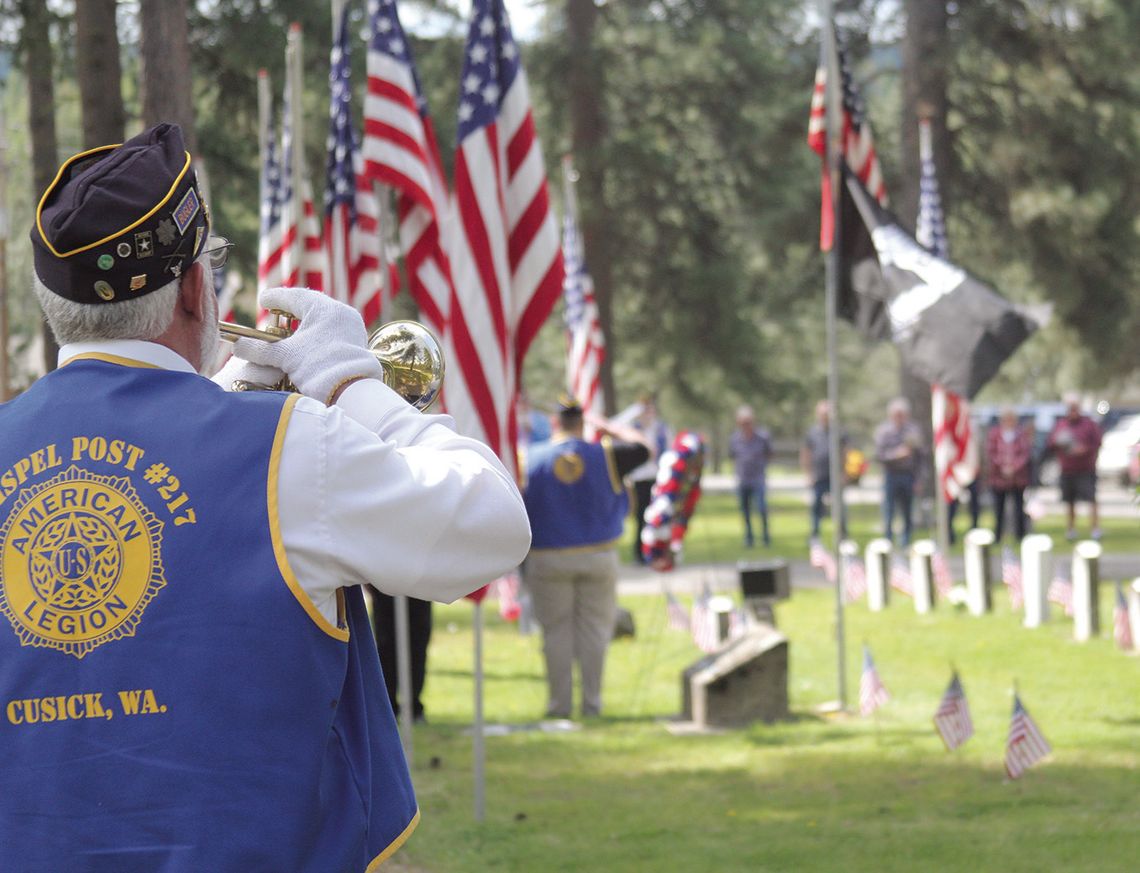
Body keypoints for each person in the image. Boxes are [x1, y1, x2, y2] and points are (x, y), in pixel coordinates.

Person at [0, 124, 531, 871]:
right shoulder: (288, 444)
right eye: (211, 264)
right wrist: (352, 385)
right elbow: (493, 526)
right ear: (193, 288)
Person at [522, 397, 649, 719]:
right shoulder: (606, 454)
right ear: (583, 423)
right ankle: (591, 704)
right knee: (595, 632)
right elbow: (644, 448)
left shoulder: (530, 458)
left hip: (548, 557)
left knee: (555, 633)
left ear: (555, 423)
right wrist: (610, 427)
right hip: (597, 556)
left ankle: (559, 707)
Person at [615, 392, 670, 564]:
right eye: (644, 409)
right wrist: (634, 411)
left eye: (649, 408)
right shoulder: (633, 429)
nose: (647, 412)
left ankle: (658, 553)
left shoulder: (662, 429)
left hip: (657, 478)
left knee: (659, 517)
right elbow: (616, 424)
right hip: (639, 479)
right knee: (640, 518)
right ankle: (640, 554)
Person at [365, 589, 433, 722]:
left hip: (418, 586)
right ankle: (387, 706)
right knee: (386, 645)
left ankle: (413, 706)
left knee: (418, 643)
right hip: (385, 585)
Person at [1046, 392, 1103, 540]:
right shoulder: (1061, 425)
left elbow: (1097, 443)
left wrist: (1084, 449)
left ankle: (1095, 529)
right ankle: (1071, 529)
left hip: (1086, 469)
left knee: (1091, 499)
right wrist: (1060, 443)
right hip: (1067, 469)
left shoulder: (1089, 424)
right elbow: (1051, 443)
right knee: (1070, 502)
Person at [873, 397, 925, 546]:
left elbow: (921, 457)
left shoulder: (913, 430)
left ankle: (906, 541)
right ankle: (888, 540)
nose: (899, 418)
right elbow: (879, 455)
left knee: (907, 510)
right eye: (897, 415)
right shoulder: (884, 431)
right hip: (891, 475)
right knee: (889, 510)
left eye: (902, 414)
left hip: (908, 475)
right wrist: (896, 454)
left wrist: (919, 479)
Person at [800, 399, 848, 541]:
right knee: (816, 505)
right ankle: (815, 534)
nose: (825, 416)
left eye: (828, 414)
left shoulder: (839, 432)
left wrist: (844, 473)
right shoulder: (812, 432)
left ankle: (843, 534)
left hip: (835, 475)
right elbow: (805, 454)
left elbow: (845, 453)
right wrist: (808, 474)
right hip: (818, 475)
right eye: (823, 414)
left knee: (840, 506)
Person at [985, 406, 1033, 543]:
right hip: (999, 478)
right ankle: (998, 535)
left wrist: (1014, 467)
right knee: (998, 509)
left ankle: (1020, 535)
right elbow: (991, 452)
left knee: (1019, 508)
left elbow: (1025, 453)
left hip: (1018, 478)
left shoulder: (1020, 434)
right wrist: (1003, 466)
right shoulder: (995, 433)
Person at [730, 405, 773, 547]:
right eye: (743, 423)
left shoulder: (762, 437)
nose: (745, 425)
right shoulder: (735, 439)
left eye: (748, 422)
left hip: (758, 478)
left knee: (761, 508)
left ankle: (766, 537)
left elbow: (769, 453)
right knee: (745, 511)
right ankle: (749, 538)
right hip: (743, 479)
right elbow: (733, 456)